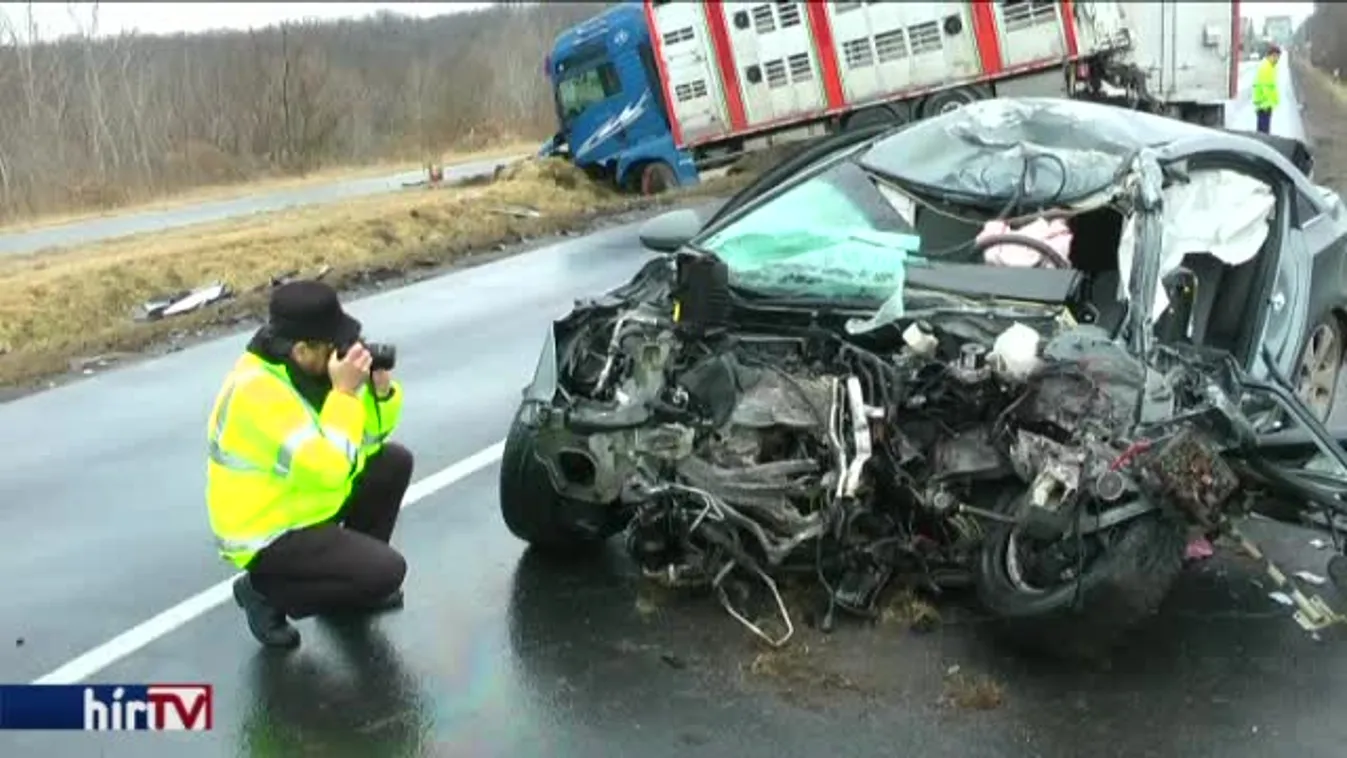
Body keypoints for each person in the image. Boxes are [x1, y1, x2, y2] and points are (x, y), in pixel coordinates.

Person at [205, 279, 413, 648]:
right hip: (267, 531)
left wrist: (380, 393)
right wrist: (345, 393)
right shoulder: (259, 393)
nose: (341, 353)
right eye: (332, 345)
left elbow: (364, 442)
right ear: (302, 349)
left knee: (393, 463)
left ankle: (352, 590)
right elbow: (332, 468)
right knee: (388, 572)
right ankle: (262, 592)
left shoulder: (303, 374)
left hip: (301, 502)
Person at [1253, 44, 1281, 134]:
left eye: (1278, 57)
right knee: (1263, 133)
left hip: (1266, 105)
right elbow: (1264, 86)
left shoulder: (1271, 67)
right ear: (1270, 55)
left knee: (1263, 132)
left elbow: (1271, 86)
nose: (1277, 59)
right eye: (1275, 56)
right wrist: (1268, 103)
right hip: (1264, 105)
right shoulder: (1266, 67)